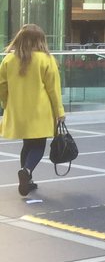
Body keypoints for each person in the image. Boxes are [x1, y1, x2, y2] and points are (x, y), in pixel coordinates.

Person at [0, 25, 66, 197]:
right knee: (38, 145)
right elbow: (53, 89)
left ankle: (27, 181)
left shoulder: (9, 59)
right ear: (40, 40)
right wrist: (59, 112)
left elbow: (2, 86)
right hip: (40, 111)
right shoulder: (46, 59)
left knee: (27, 144)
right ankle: (27, 171)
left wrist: (7, 103)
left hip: (18, 110)